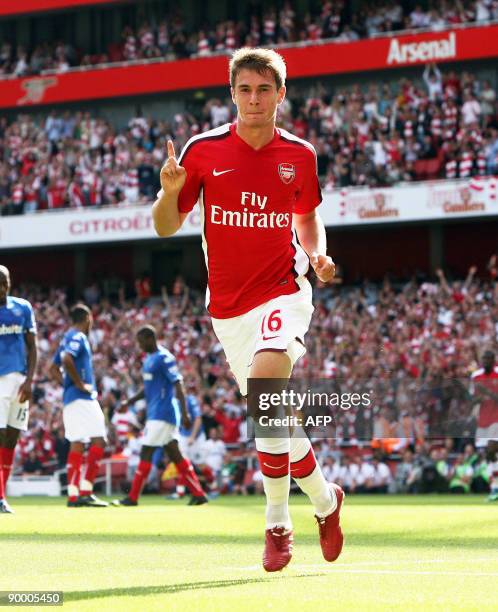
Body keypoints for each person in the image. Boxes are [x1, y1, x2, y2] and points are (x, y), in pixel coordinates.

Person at [152, 47, 344, 571]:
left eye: (264, 89)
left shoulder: (300, 155)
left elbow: (307, 218)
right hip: (228, 309)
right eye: (244, 89)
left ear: (281, 94)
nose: (254, 99)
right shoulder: (202, 151)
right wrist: (170, 194)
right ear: (232, 93)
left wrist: (317, 254)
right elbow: (165, 226)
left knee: (265, 392)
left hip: (284, 290)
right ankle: (326, 502)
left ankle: (276, 522)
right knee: (273, 414)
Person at [113, 325, 208, 506]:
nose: (139, 346)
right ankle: (198, 493)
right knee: (175, 454)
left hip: (163, 413)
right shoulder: (149, 359)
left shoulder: (165, 358)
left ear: (150, 338)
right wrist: (129, 402)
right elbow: (147, 389)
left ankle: (132, 497)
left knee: (146, 451)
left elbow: (178, 383)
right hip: (156, 413)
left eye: (141, 342)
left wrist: (185, 412)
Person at [49, 304, 108, 507]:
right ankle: (86, 491)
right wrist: (79, 384)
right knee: (99, 439)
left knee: (77, 442)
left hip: (69, 399)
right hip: (82, 398)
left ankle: (73, 495)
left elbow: (51, 369)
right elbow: (66, 360)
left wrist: (67, 385)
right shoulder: (78, 336)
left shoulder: (65, 338)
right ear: (87, 318)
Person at [0, 265, 37, 514]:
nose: (3, 287)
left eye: (6, 282)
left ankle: (2, 495)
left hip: (20, 381)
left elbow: (32, 347)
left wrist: (30, 380)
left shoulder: (22, 307)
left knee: (12, 437)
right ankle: (0, 496)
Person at [470, 350, 498, 502]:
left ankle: (495, 488)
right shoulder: (476, 376)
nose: (486, 361)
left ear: (494, 360)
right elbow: (472, 400)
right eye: (484, 358)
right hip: (483, 421)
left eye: (489, 358)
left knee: (491, 448)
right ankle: (494, 487)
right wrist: (479, 398)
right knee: (489, 455)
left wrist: (487, 391)